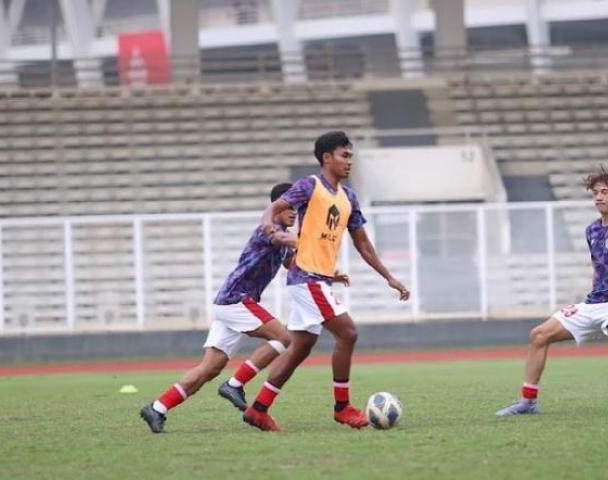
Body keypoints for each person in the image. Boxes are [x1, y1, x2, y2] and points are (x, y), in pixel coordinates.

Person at [242, 130, 411, 432]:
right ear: (326, 158)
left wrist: (389, 277)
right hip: (307, 277)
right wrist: (268, 224)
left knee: (300, 347)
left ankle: (258, 409)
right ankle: (342, 407)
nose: (349, 161)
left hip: (319, 280)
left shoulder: (349, 198)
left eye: (351, 156)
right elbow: (275, 207)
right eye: (344, 155)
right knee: (347, 333)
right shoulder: (310, 185)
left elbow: (363, 245)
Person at [496, 167, 608, 417]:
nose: (599, 197)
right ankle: (527, 402)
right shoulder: (592, 231)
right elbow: (598, 268)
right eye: (595, 193)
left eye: (605, 192)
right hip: (595, 302)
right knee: (538, 335)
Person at [139, 182, 298, 433]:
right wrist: (307, 240)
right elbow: (281, 240)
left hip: (229, 303)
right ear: (276, 207)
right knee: (284, 336)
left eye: (298, 207)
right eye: (290, 206)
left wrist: (326, 271)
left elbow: (294, 264)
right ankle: (235, 384)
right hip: (238, 299)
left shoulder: (283, 239)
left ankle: (157, 408)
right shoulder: (268, 231)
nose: (295, 211)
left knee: (209, 368)